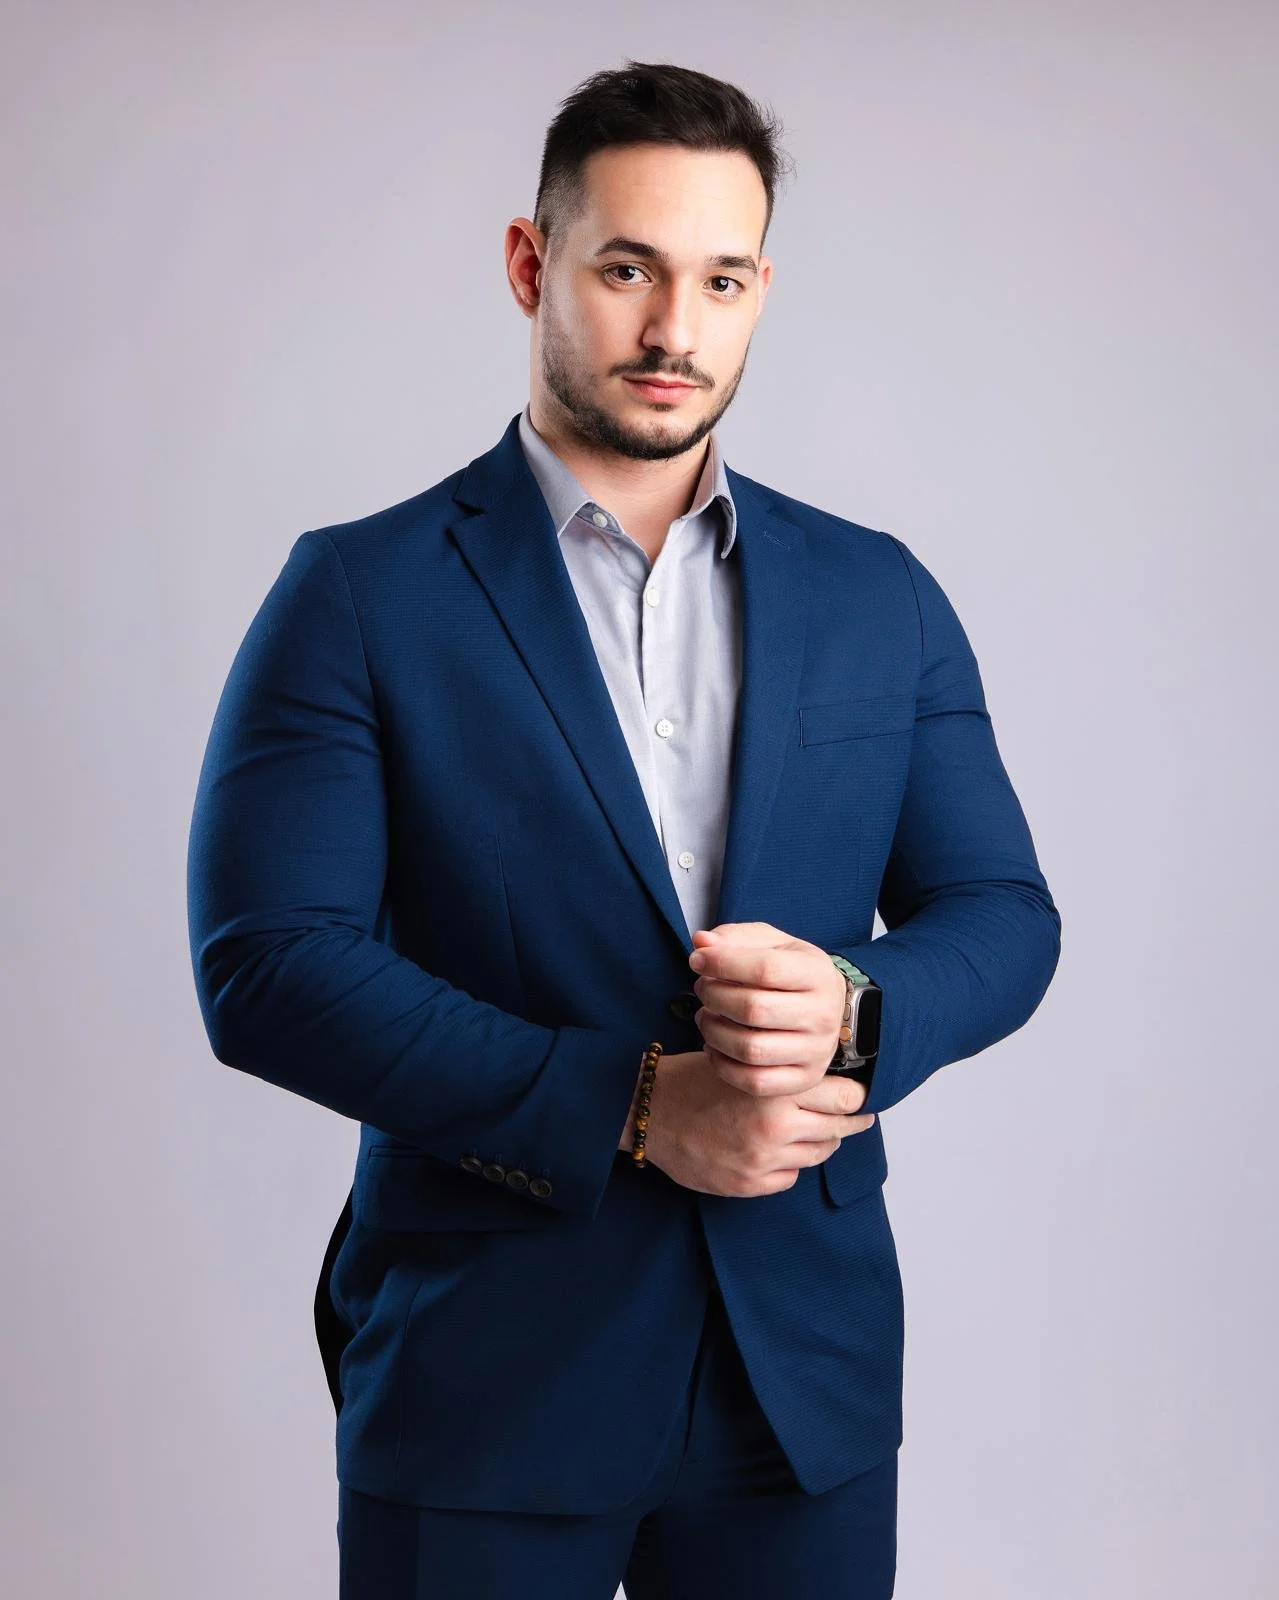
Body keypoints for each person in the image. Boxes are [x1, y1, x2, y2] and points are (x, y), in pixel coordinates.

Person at [186, 58, 1061, 1600]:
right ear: (531, 265)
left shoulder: (878, 593)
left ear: (761, 289)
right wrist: (634, 1105)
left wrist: (859, 1011)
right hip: (483, 1370)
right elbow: (268, 966)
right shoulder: (356, 594)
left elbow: (999, 913)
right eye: (626, 268)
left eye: (720, 278)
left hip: (802, 1378)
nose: (674, 331)